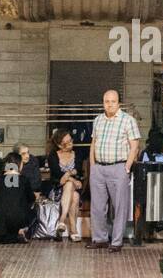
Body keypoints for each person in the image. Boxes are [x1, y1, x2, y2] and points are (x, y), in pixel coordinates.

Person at [87, 89, 141, 253]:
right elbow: (93, 144)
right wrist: (93, 166)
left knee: (119, 206)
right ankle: (100, 238)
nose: (109, 105)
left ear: (119, 103)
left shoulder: (128, 120)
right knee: (97, 206)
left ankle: (116, 241)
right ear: (103, 103)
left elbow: (135, 146)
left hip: (119, 167)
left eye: (113, 101)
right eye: (106, 101)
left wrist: (126, 167)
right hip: (99, 169)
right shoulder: (98, 120)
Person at [0, 151, 37, 243]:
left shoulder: (0, 180)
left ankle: (8, 234)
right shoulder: (24, 180)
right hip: (19, 219)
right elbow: (32, 198)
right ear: (19, 164)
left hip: (1, 223)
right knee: (33, 208)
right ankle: (21, 230)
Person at [47, 129, 85, 241]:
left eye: (71, 141)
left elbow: (78, 170)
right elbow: (59, 177)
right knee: (72, 190)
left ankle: (62, 221)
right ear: (59, 145)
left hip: (73, 189)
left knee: (74, 193)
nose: (70, 144)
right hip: (57, 190)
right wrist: (71, 177)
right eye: (66, 143)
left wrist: (68, 175)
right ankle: (73, 231)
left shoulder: (77, 153)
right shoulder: (53, 156)